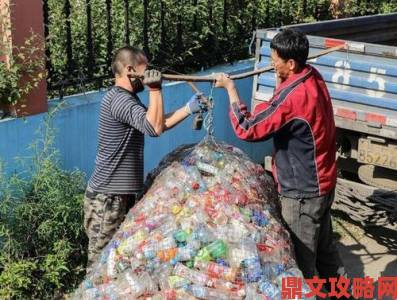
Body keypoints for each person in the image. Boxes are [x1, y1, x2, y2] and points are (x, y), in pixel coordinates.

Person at [214, 29, 346, 281]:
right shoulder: (312, 76)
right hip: (323, 182)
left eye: (276, 60)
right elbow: (279, 102)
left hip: (302, 193)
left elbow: (248, 128)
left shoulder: (292, 99)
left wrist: (231, 90)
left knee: (299, 261)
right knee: (325, 252)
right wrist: (280, 75)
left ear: (292, 63)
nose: (272, 64)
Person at [84, 46, 207, 271]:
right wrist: (155, 90)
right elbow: (154, 128)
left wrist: (188, 109)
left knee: (118, 262)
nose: (150, 72)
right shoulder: (119, 100)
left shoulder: (126, 99)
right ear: (131, 69)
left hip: (120, 196)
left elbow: (156, 122)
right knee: (100, 266)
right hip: (107, 199)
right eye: (146, 68)